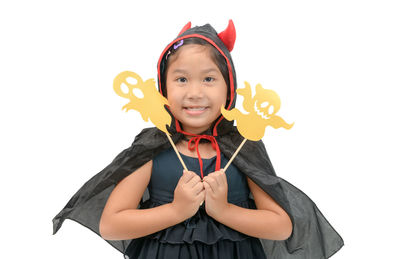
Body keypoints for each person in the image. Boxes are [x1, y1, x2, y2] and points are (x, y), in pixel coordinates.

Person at [53, 21, 344, 259]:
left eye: (208, 79)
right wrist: (176, 210)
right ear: (163, 89)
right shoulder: (153, 147)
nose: (194, 92)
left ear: (229, 89)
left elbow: (281, 226)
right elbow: (111, 225)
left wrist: (224, 210)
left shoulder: (244, 145)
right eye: (181, 79)